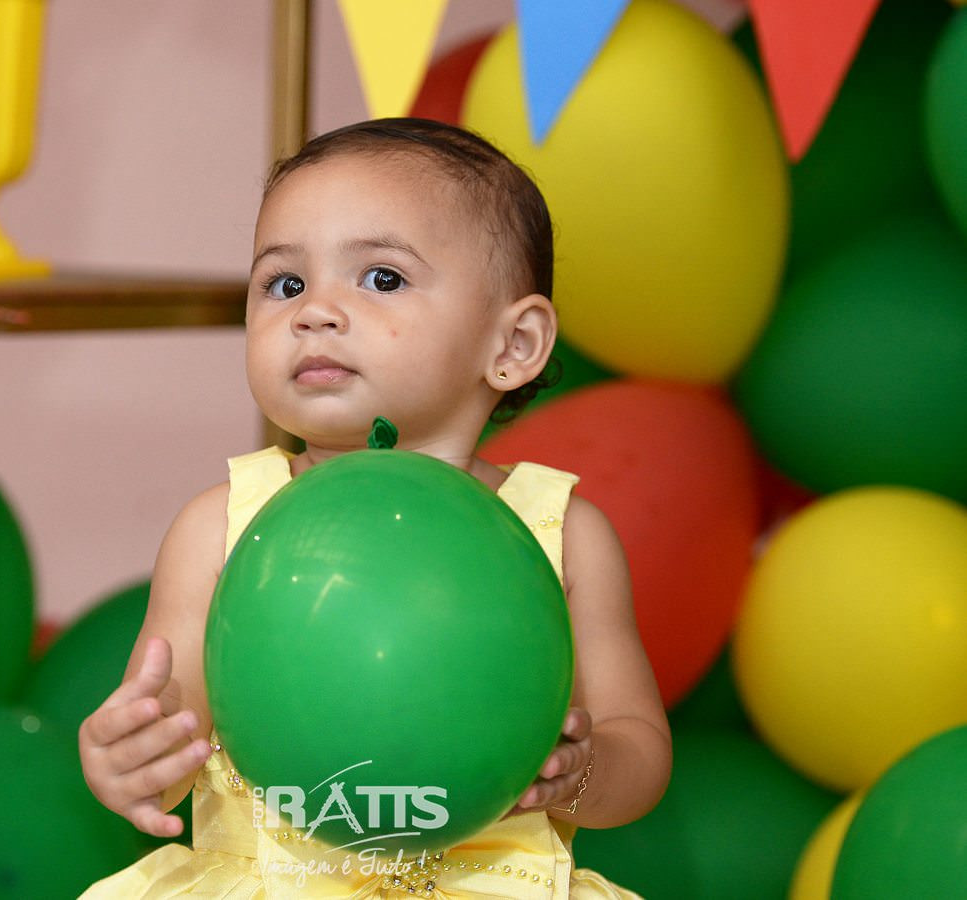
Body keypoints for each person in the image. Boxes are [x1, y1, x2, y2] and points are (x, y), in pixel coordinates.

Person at [78, 118, 671, 898]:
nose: (314, 312)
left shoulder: (559, 535)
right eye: (284, 284)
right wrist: (131, 757)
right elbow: (174, 737)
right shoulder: (220, 527)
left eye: (381, 278)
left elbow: (640, 755)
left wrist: (580, 771)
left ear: (513, 344)